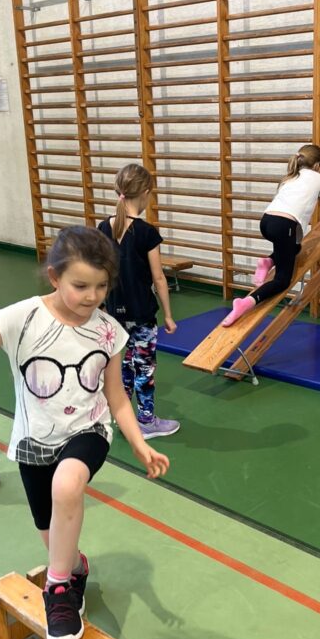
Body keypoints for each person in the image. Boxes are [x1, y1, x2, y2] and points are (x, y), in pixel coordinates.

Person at [0, 226, 170, 639]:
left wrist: (138, 442)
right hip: (34, 440)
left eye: (101, 286)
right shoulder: (21, 318)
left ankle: (57, 590)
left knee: (67, 484)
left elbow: (116, 397)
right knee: (53, 535)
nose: (92, 296)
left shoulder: (109, 331)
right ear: (55, 276)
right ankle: (74, 569)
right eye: (81, 285)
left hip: (89, 430)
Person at [97, 164, 180, 439]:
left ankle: (120, 416)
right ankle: (145, 421)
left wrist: (100, 307)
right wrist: (168, 315)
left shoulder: (104, 227)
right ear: (145, 193)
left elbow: (100, 271)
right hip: (142, 315)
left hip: (113, 314)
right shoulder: (146, 232)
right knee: (143, 367)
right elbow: (159, 278)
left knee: (123, 365)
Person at [222, 144, 320, 326]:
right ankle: (245, 303)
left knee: (295, 247)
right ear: (318, 166)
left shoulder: (291, 176)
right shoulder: (319, 179)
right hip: (284, 226)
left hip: (266, 222)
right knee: (282, 281)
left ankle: (268, 262)